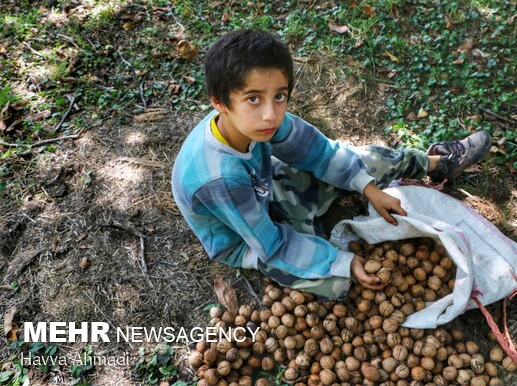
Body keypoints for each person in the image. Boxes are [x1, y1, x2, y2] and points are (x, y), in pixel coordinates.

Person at [171, 29, 491, 300]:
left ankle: (437, 163)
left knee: (361, 162)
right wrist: (344, 262)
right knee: (338, 283)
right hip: (247, 238)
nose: (271, 113)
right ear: (219, 103)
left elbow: (321, 153)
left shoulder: (261, 121)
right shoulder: (219, 179)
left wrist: (368, 188)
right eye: (253, 98)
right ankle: (318, 236)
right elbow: (272, 244)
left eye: (279, 96)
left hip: (268, 189)